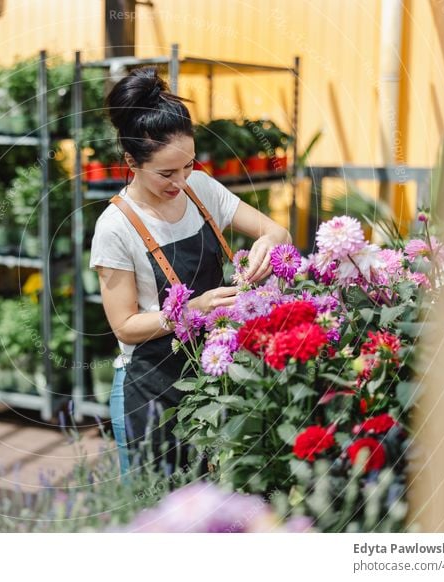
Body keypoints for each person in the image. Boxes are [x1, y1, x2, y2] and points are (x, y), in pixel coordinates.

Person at [89, 67, 291, 476]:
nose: (180, 181)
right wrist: (193, 309)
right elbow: (125, 326)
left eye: (187, 167)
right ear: (131, 161)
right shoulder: (115, 227)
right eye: (166, 173)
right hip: (151, 393)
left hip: (217, 384)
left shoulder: (202, 188)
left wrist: (266, 247)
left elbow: (276, 229)